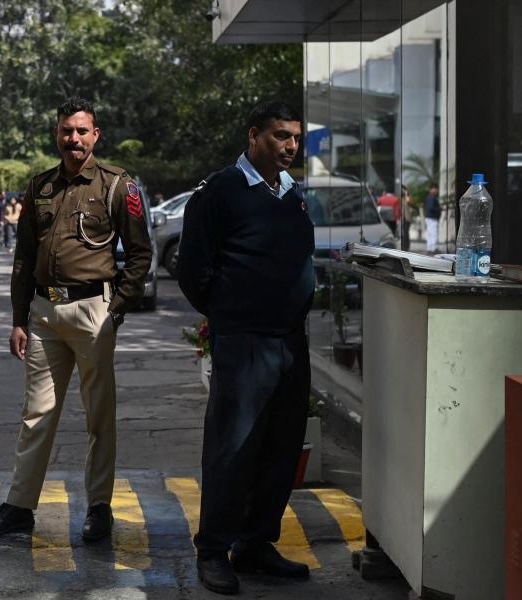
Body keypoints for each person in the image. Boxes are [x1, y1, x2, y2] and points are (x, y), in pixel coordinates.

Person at [0, 96, 152, 543]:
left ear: (95, 135)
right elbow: (24, 256)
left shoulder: (117, 185)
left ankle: (99, 508)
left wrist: (117, 309)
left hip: (95, 313)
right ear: (57, 134)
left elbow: (141, 253)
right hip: (44, 315)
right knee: (37, 414)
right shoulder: (40, 187)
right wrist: (18, 318)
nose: (73, 138)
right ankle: (19, 507)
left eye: (81, 131)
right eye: (66, 131)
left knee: (98, 417)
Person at [177, 100, 314, 595]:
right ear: (254, 136)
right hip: (244, 342)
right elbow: (192, 269)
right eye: (281, 136)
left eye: (296, 138)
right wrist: (229, 314)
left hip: (290, 344)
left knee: (280, 448)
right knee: (232, 449)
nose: (291, 146)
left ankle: (256, 544)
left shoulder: (292, 193)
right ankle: (213, 549)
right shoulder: (220, 192)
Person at [424, 183, 441, 254]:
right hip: (432, 218)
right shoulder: (432, 198)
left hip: (429, 217)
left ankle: (429, 248)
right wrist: (439, 209)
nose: (437, 190)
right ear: (432, 189)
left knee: (430, 234)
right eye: (435, 189)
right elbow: (431, 208)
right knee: (434, 233)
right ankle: (434, 249)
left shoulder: (429, 197)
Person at [400, 185, 415, 251]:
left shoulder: (408, 197)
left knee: (406, 232)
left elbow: (410, 202)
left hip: (407, 218)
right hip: (401, 218)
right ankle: (403, 246)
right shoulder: (400, 198)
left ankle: (406, 247)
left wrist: (406, 194)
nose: (402, 191)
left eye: (403, 189)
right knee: (402, 232)